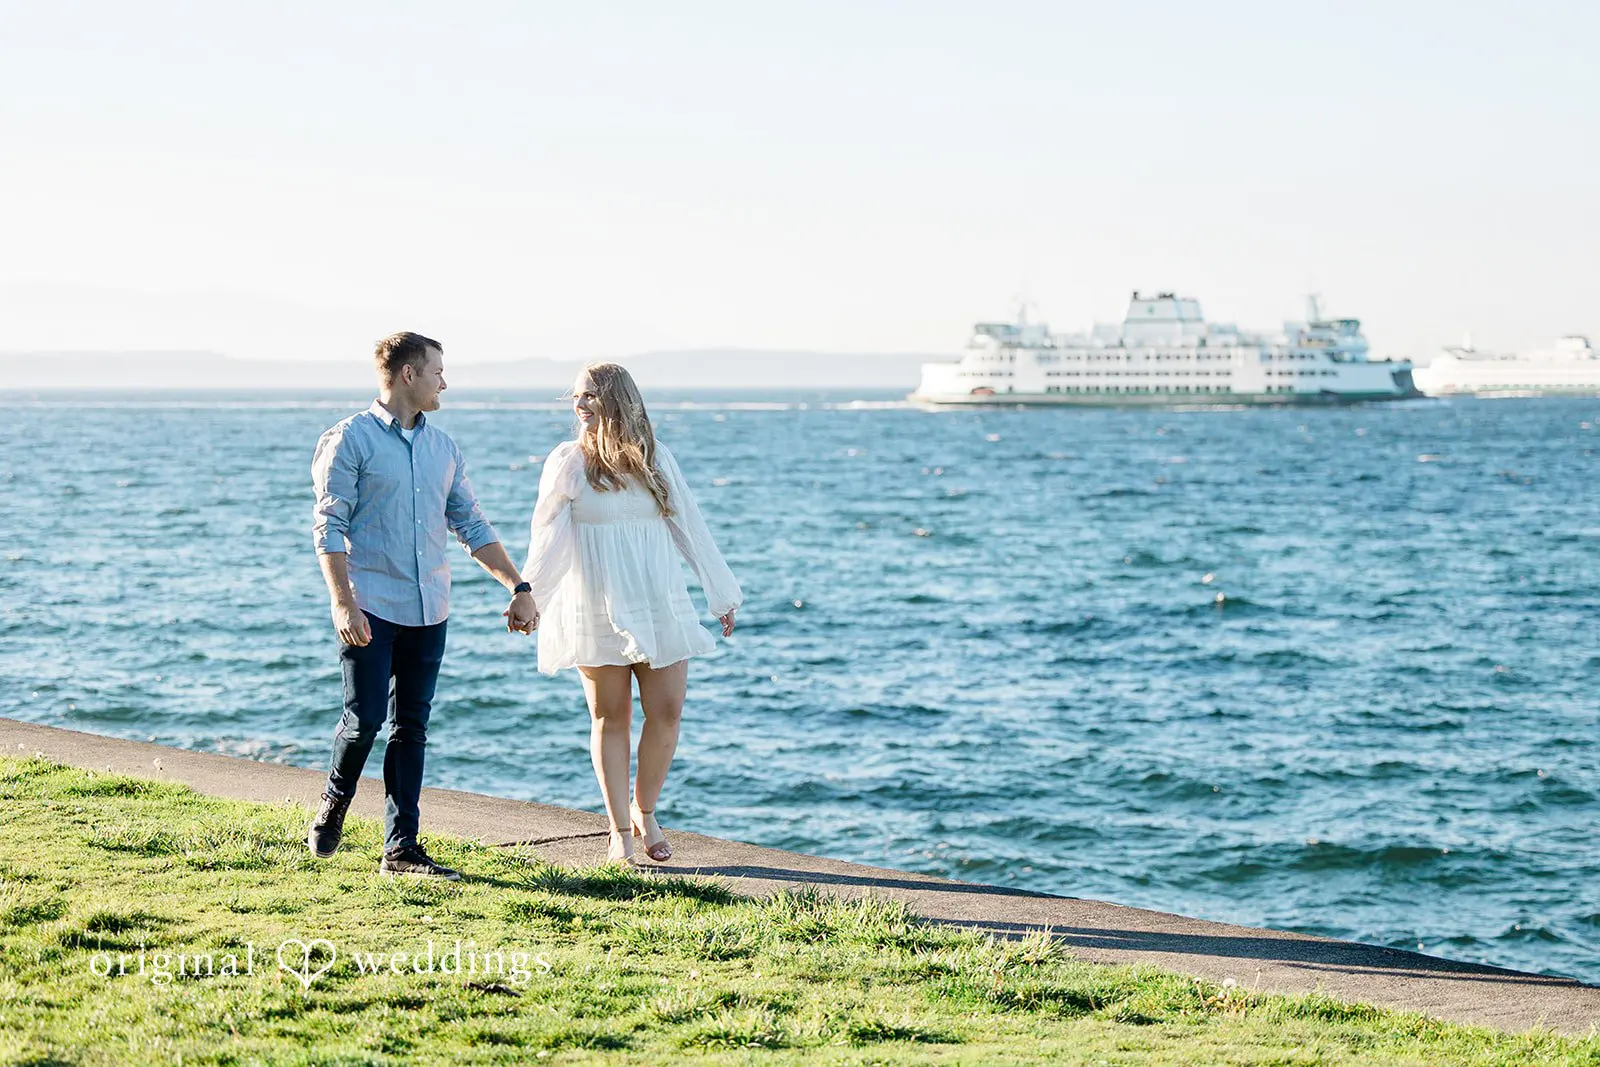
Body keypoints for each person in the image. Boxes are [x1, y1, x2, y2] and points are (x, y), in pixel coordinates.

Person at [307, 331, 537, 879]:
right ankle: (334, 804)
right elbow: (329, 528)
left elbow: (471, 524)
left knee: (411, 727)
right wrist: (344, 603)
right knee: (363, 723)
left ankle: (401, 848)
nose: (444, 382)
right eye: (438, 371)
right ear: (408, 374)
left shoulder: (443, 448)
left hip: (430, 608)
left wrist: (517, 586)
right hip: (371, 607)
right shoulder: (349, 441)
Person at [520, 363, 741, 864]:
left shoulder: (656, 459)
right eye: (576, 397)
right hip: (595, 602)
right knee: (609, 715)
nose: (580, 405)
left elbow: (691, 528)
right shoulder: (568, 462)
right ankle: (620, 828)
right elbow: (548, 536)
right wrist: (530, 593)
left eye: (590, 396)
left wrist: (721, 593)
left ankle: (646, 809)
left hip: (658, 599)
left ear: (617, 399)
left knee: (667, 713)